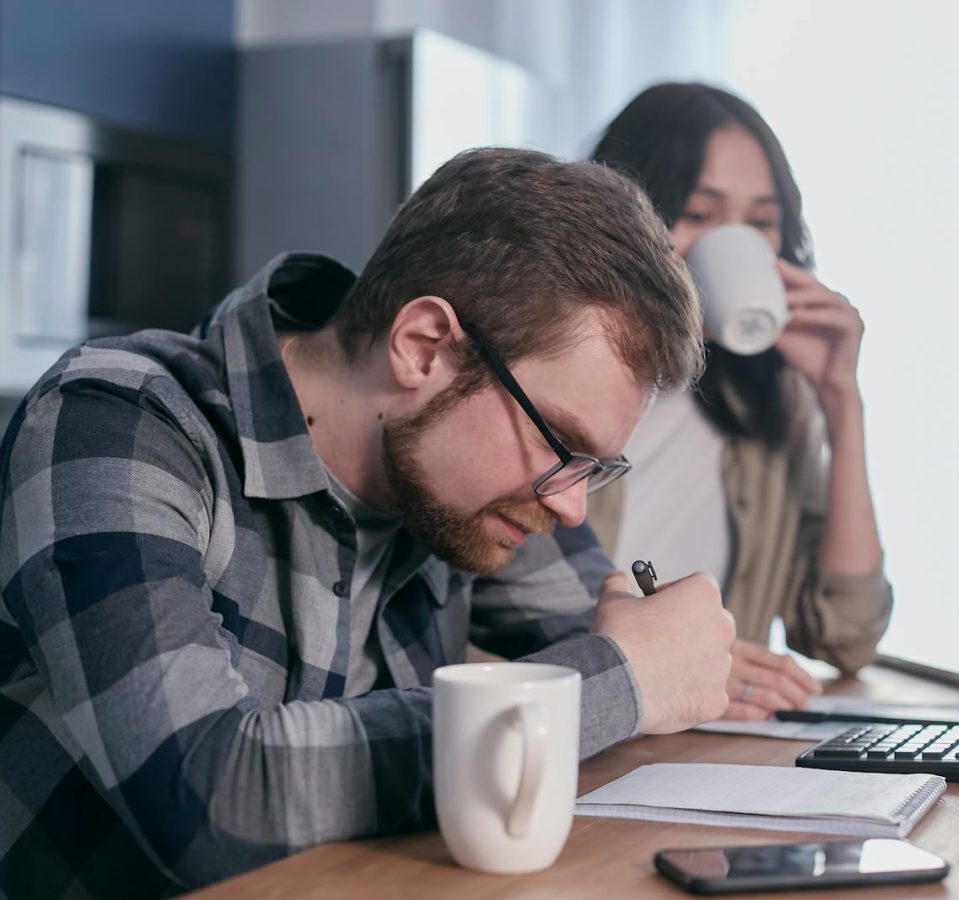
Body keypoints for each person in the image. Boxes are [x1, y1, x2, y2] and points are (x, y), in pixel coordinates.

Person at [0, 148, 736, 898]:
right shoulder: (114, 421)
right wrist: (620, 677)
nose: (573, 504)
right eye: (562, 444)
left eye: (597, 466)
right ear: (424, 347)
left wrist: (658, 659)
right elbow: (205, 795)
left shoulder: (463, 481)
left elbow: (613, 648)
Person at [586, 83, 893, 720]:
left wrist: (843, 401)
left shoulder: (772, 401)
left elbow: (846, 635)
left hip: (715, 755)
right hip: (585, 744)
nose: (735, 244)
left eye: (759, 222)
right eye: (699, 213)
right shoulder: (560, 384)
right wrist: (656, 677)